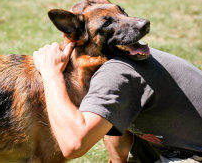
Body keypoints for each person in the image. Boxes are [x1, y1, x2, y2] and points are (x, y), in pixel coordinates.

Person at [33, 42, 202, 163]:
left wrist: (51, 74)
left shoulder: (117, 73)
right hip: (176, 146)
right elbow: (116, 135)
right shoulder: (120, 64)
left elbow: (74, 144)